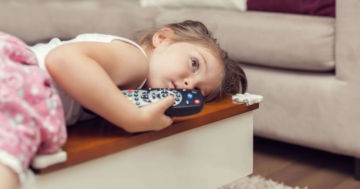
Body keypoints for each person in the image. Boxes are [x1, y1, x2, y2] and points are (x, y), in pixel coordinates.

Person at [0, 20, 247, 189]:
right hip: (19, 82)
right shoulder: (136, 62)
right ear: (162, 38)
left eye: (197, 90)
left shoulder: (130, 84)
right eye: (194, 64)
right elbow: (63, 59)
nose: (187, 84)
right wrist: (133, 118)